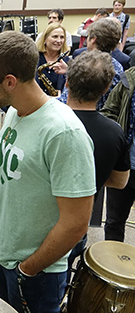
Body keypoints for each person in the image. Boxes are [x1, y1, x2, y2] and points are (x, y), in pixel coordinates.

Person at [0, 31, 95, 312]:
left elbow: (76, 223)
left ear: (10, 82)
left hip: (36, 272)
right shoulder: (15, 111)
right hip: (1, 254)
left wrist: (29, 269)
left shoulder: (64, 132)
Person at [65, 50, 129, 280]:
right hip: (77, 221)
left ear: (67, 82)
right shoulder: (114, 132)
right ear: (105, 89)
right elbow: (119, 182)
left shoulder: (49, 119)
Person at [58, 18, 124, 110]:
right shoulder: (118, 67)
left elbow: (66, 101)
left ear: (93, 39)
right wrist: (69, 70)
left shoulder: (85, 63)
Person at [101, 66, 135, 242]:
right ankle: (113, 266)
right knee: (114, 222)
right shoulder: (128, 79)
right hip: (124, 164)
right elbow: (109, 111)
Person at [35, 22, 70, 96]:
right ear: (45, 39)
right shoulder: (33, 58)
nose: (59, 41)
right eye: (55, 36)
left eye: (62, 37)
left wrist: (68, 71)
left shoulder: (67, 62)